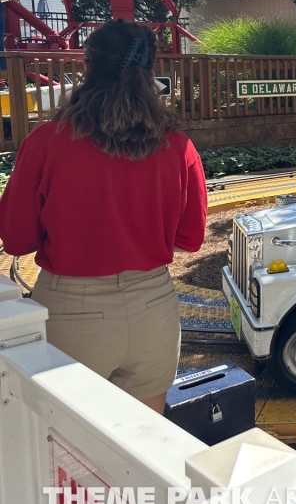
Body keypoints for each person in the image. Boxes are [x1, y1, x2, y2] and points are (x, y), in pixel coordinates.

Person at [0, 20, 207, 413]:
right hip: (154, 309)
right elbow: (190, 239)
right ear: (149, 75)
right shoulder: (177, 146)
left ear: (88, 68)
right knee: (145, 446)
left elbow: (16, 239)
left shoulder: (46, 142)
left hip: (71, 312)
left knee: (72, 453)